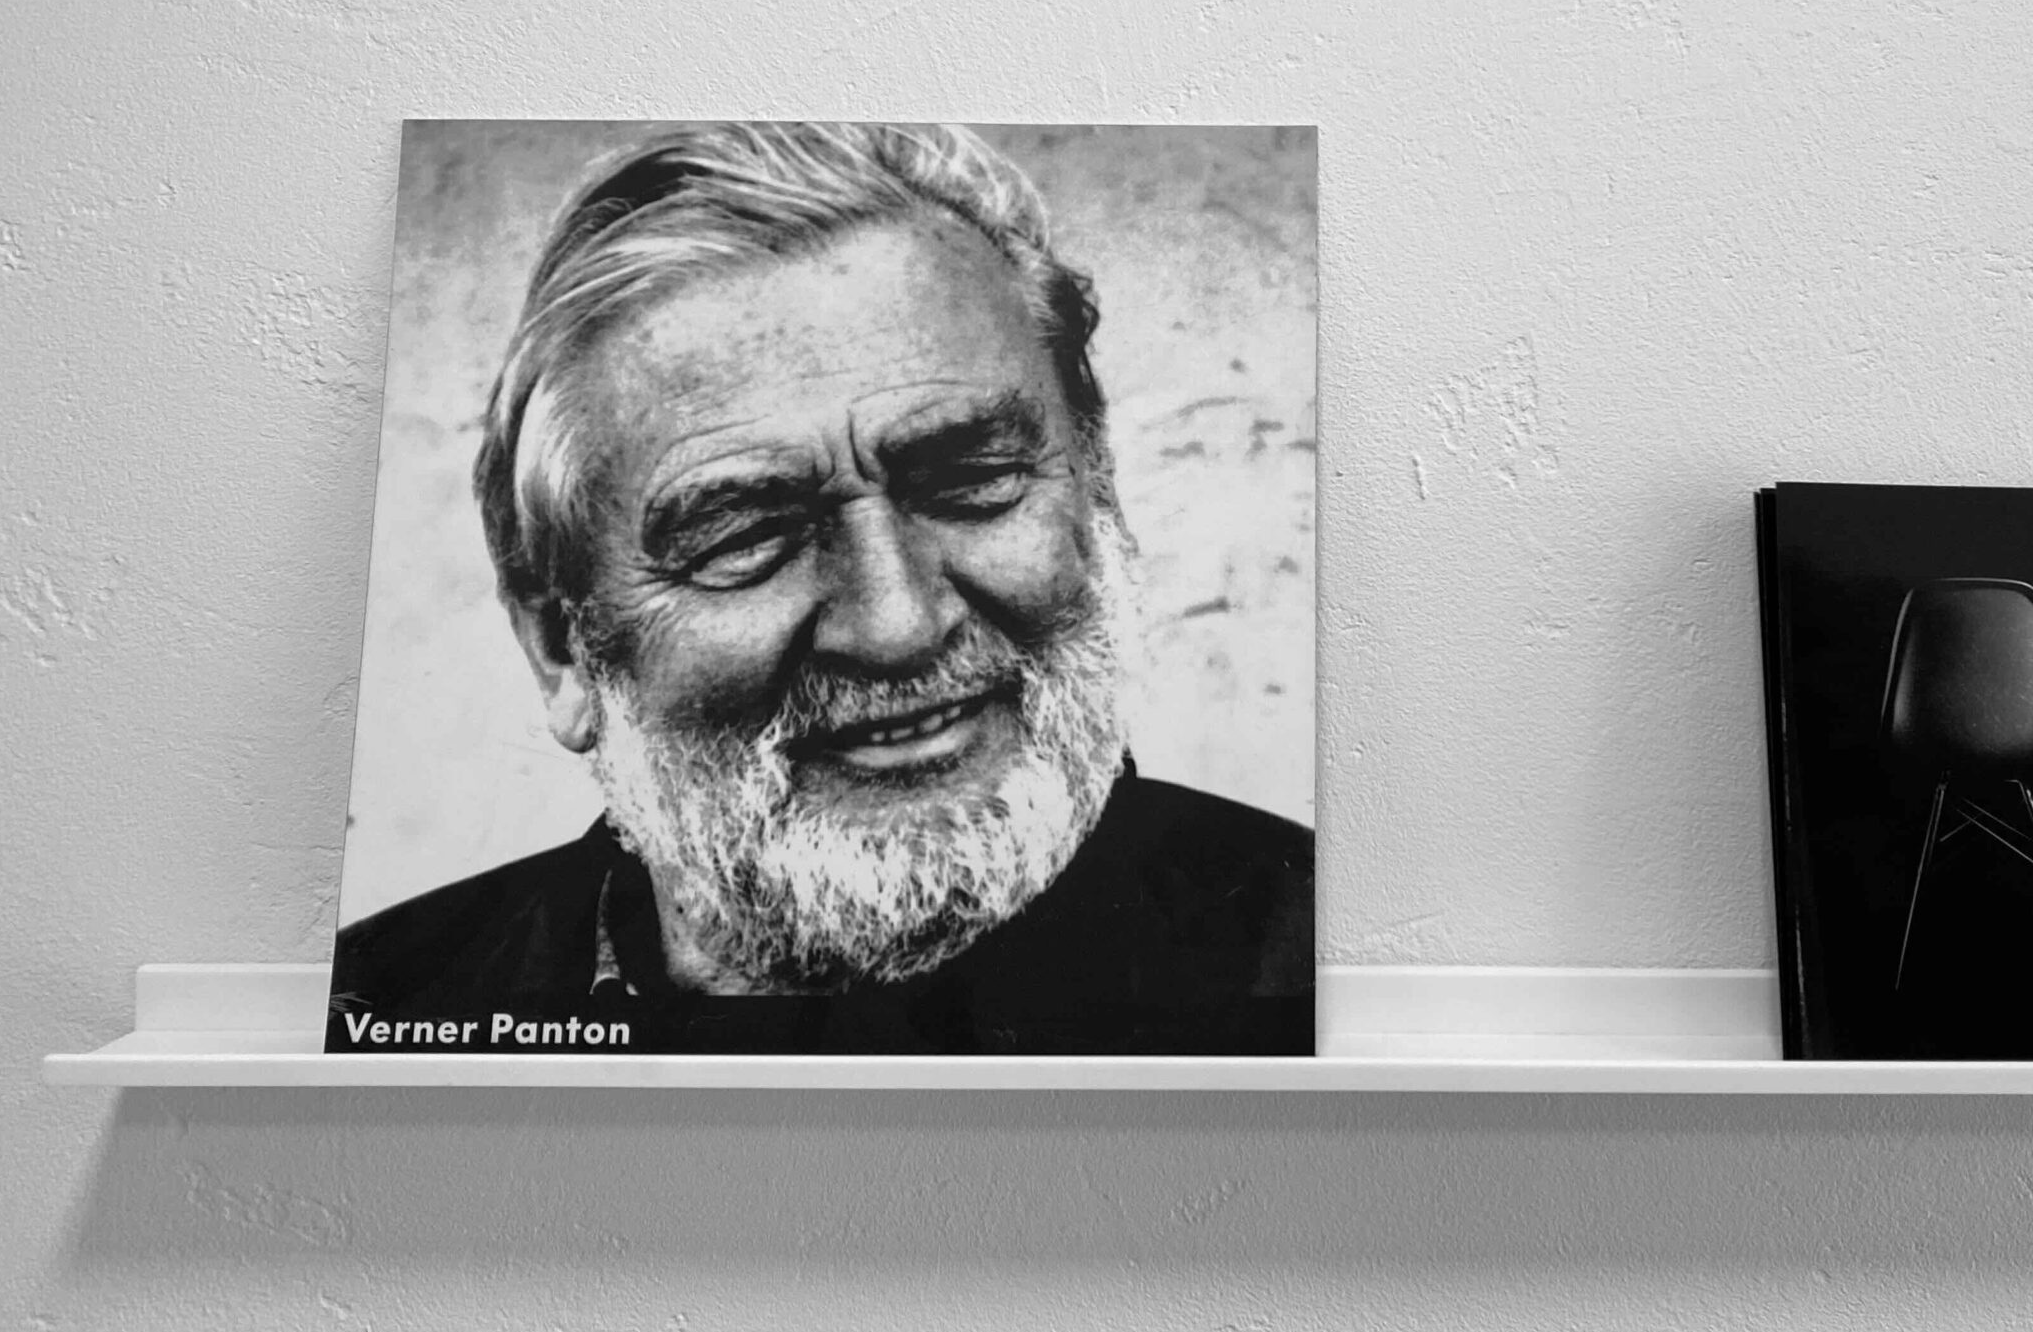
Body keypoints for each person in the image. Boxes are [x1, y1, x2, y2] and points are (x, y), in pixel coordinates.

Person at [328, 124, 1312, 1054]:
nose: (897, 625)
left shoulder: (1314, 976)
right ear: (561, 650)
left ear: (1099, 501)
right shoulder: (380, 1015)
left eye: (971, 484)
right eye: (746, 537)